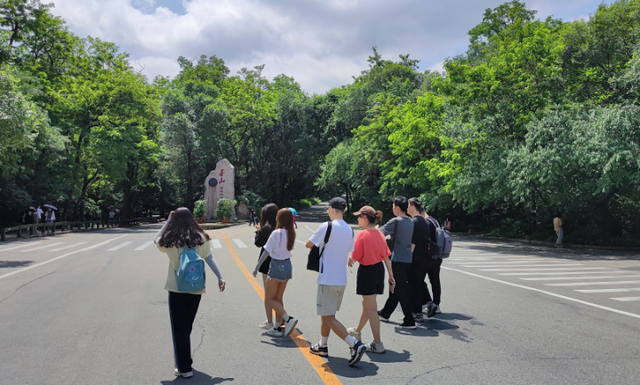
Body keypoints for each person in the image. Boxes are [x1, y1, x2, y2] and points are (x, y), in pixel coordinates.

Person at [155, 208, 226, 378]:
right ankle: (183, 360)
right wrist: (220, 277)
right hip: (196, 288)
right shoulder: (200, 238)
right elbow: (209, 258)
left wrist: (167, 221)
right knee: (186, 326)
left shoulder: (171, 239)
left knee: (179, 328)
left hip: (177, 288)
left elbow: (155, 240)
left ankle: (184, 367)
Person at [306, 197, 366, 367]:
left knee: (329, 317)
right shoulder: (349, 230)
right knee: (328, 315)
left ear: (331, 209)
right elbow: (348, 251)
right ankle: (322, 345)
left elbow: (309, 244)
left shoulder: (327, 226)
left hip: (328, 278)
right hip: (341, 279)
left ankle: (355, 345)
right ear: (344, 210)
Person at [347, 205, 395, 354]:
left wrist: (350, 258)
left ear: (365, 218)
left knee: (371, 308)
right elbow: (386, 256)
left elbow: (355, 256)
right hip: (379, 270)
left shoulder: (362, 234)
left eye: (359, 216)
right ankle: (357, 330)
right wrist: (391, 275)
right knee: (367, 304)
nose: (357, 219)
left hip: (367, 271)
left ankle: (378, 343)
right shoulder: (379, 234)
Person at [253, 209, 298, 338]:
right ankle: (277, 327)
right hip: (287, 265)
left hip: (276, 265)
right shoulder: (291, 233)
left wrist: (257, 267)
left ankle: (288, 319)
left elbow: (266, 251)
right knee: (278, 298)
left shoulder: (276, 233)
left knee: (269, 298)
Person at [377, 196, 415, 329]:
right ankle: (386, 313)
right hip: (407, 259)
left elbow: (378, 232)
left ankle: (409, 319)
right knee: (397, 287)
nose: (392, 208)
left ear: (397, 208)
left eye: (393, 206)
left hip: (398, 259)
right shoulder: (410, 221)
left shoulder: (396, 221)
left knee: (399, 288)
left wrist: (374, 227)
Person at [407, 198, 442, 319]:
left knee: (418, 282)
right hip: (436, 254)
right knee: (434, 281)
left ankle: (425, 305)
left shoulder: (423, 222)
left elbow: (418, 241)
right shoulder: (434, 221)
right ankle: (435, 304)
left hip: (425, 256)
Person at [253, 203, 281, 330]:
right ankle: (279, 320)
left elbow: (259, 244)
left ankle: (270, 321)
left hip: (266, 263)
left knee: (268, 295)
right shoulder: (281, 227)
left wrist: (258, 231)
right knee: (277, 295)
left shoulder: (266, 228)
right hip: (280, 261)